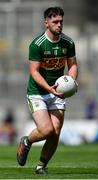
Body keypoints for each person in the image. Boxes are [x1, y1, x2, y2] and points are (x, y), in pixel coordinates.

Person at [16, 7, 78, 174]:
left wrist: (72, 81)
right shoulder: (37, 44)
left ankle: (41, 166)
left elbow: (72, 66)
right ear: (46, 23)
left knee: (55, 132)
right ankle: (27, 141)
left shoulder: (68, 43)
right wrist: (49, 88)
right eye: (55, 22)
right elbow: (34, 72)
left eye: (61, 22)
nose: (59, 25)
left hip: (57, 92)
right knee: (46, 130)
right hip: (37, 92)